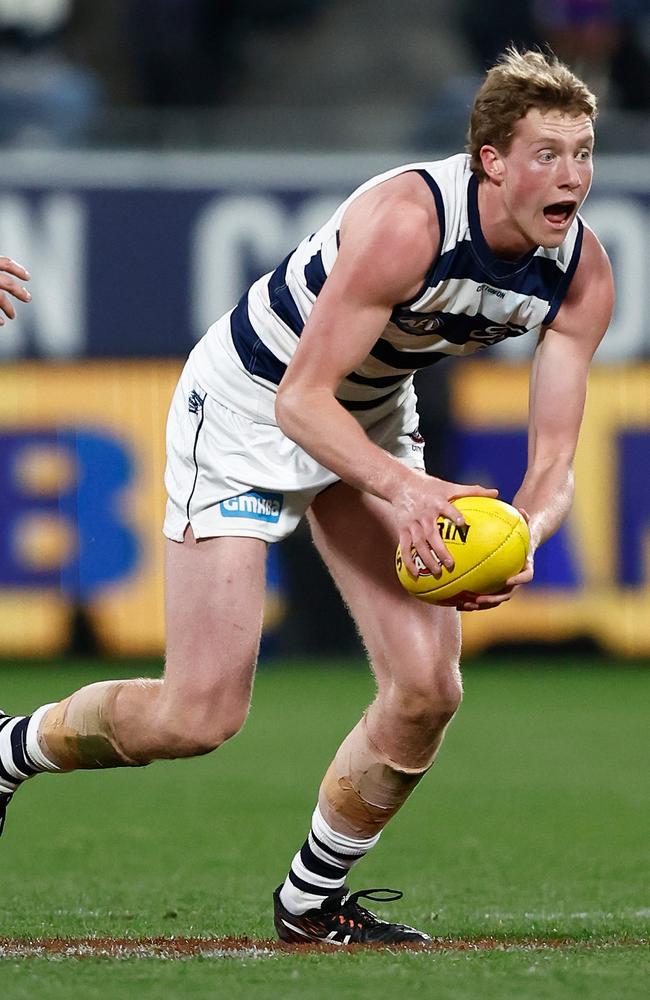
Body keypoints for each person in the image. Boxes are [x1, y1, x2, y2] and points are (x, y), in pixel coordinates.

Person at [0, 48, 613, 946]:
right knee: (199, 715)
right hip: (251, 406)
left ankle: (310, 903)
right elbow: (297, 399)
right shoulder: (412, 222)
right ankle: (8, 748)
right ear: (491, 160)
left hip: (364, 415)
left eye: (585, 153)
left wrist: (520, 533)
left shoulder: (581, 272)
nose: (573, 176)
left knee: (428, 690)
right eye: (549, 154)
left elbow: (555, 460)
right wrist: (405, 490)